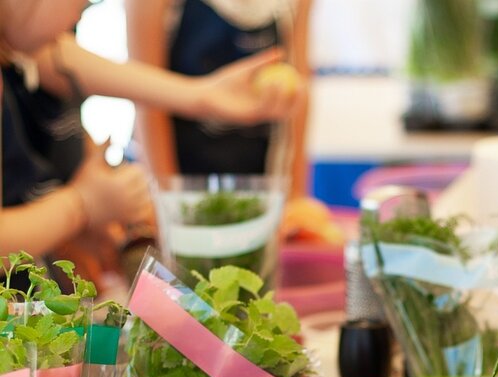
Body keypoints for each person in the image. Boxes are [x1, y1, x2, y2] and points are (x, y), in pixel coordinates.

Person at [0, 1, 298, 268]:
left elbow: (56, 55)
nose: (85, 8)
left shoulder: (22, 44)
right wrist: (82, 205)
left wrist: (201, 96)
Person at [127, 0, 313, 198]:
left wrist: (295, 196)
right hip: (172, 172)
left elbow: (298, 93)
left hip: (256, 177)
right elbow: (147, 101)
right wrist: (167, 201)